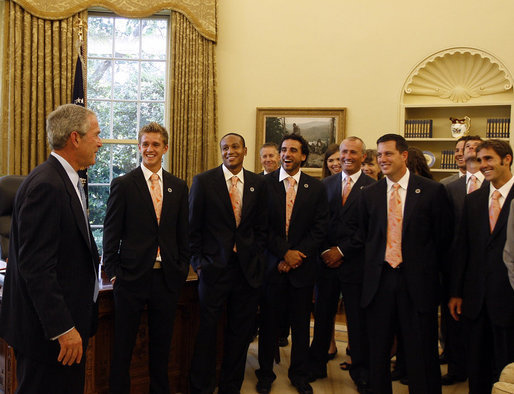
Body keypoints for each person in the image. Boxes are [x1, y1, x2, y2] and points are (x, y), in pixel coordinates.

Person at [0, 104, 102, 393]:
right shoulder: (46, 185)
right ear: (75, 138)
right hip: (48, 335)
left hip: (65, 325)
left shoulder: (65, 179)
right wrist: (63, 329)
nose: (100, 141)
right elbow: (36, 268)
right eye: (96, 134)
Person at [357, 133, 453, 394]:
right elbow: (366, 239)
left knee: (421, 351)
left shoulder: (432, 191)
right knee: (378, 352)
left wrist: (448, 288)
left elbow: (444, 241)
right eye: (379, 155)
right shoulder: (370, 194)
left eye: (388, 154)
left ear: (404, 155)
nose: (382, 159)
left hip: (418, 284)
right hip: (380, 282)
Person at [102, 122, 190, 393]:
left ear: (165, 148)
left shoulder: (178, 186)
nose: (150, 149)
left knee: (162, 347)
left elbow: (182, 233)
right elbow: (111, 231)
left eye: (155, 144)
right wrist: (115, 271)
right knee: (124, 347)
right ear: (139, 147)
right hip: (130, 278)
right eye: (145, 144)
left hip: (166, 278)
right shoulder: (124, 184)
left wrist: (181, 267)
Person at [189, 133, 268, 393]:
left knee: (239, 334)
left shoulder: (258, 183)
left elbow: (262, 228)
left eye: (235, 147)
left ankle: (230, 386)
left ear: (245, 150)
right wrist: (199, 262)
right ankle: (202, 386)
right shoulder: (204, 181)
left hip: (247, 272)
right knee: (207, 333)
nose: (229, 151)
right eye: (225, 147)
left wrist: (256, 256)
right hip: (213, 270)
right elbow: (193, 229)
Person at [256, 134, 329, 394]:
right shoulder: (263, 185)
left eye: (293, 150)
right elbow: (261, 228)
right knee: (269, 325)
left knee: (300, 326)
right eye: (284, 150)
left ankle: (299, 374)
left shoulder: (316, 187)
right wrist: (284, 254)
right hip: (272, 267)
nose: (287, 154)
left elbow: (320, 229)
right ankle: (265, 373)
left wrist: (297, 255)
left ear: (303, 156)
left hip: (303, 268)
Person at [309, 137, 375, 393]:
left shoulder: (373, 187)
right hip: (325, 263)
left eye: (353, 152)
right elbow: (317, 222)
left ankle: (360, 370)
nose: (347, 156)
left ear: (362, 156)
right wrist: (327, 250)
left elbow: (370, 229)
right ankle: (316, 366)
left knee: (357, 322)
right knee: (322, 317)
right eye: (344, 152)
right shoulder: (324, 185)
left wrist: (342, 250)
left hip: (355, 264)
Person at [449, 139, 514, 393]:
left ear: (506, 159)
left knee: (506, 365)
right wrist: (456, 292)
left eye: (488, 159)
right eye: (479, 160)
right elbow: (462, 249)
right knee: (477, 366)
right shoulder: (474, 200)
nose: (482, 165)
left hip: (508, 296)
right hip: (475, 298)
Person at [441, 135, 485, 386]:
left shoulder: (494, 184)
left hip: (485, 266)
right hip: (453, 266)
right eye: (467, 147)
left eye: (477, 147)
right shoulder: (448, 187)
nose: (470, 150)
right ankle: (456, 367)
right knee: (453, 319)